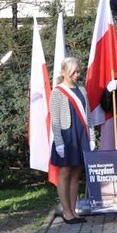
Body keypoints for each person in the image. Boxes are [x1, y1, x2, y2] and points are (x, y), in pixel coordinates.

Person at [50, 57, 95, 224]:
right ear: (64, 72)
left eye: (78, 72)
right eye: (73, 72)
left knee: (77, 172)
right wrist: (59, 142)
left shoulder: (82, 90)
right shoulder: (58, 92)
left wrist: (91, 137)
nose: (77, 75)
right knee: (65, 172)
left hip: (81, 135)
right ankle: (66, 211)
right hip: (66, 136)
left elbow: (88, 115)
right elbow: (55, 120)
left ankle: (74, 210)